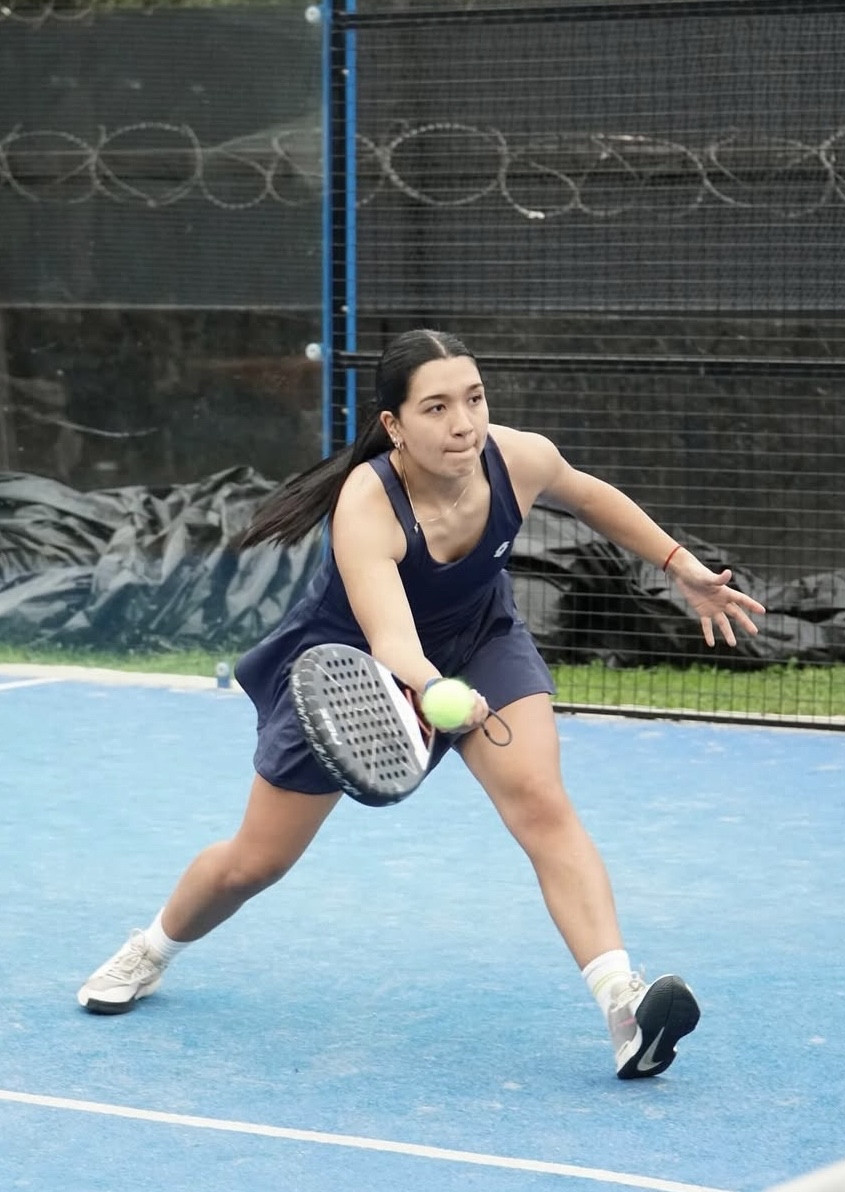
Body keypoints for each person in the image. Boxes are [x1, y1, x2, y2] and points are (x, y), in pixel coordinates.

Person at [77, 329, 765, 1080]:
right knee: (255, 862)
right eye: (436, 408)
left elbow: (589, 494)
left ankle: (623, 1007)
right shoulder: (367, 502)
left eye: (474, 399)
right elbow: (391, 638)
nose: (463, 423)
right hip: (354, 670)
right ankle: (153, 947)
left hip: (480, 637)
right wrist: (436, 692)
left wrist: (680, 565)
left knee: (542, 805)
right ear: (395, 424)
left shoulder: (517, 457)